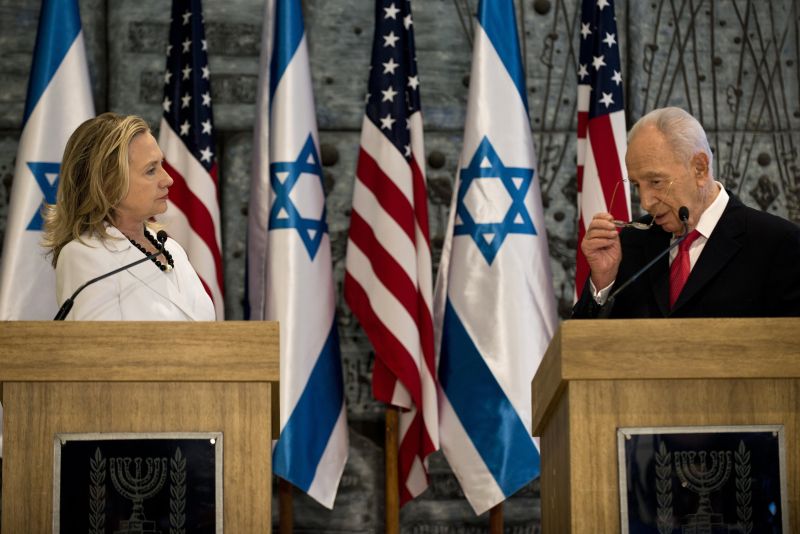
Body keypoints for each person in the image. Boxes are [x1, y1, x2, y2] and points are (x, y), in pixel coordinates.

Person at [573, 107, 800, 318]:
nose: (645, 202)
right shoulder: (629, 244)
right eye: (636, 185)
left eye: (656, 181)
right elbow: (586, 347)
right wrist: (603, 281)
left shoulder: (778, 243)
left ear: (699, 168)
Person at [43, 112, 216, 320]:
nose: (168, 179)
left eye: (162, 165)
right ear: (108, 184)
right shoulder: (83, 255)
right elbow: (101, 349)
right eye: (151, 170)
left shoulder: (172, 250)